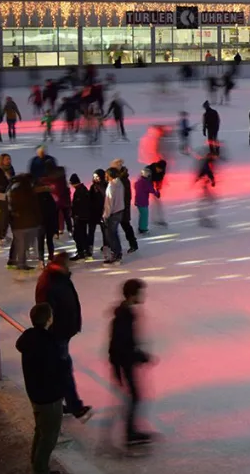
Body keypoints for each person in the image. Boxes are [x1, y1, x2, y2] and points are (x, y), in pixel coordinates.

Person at [35, 251, 92, 422]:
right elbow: (46, 309)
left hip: (63, 332)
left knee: (61, 369)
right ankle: (75, 407)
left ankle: (61, 404)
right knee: (63, 370)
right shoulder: (51, 282)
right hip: (57, 334)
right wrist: (51, 330)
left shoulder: (60, 278)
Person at [16, 303, 66, 474]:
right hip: (49, 397)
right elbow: (55, 370)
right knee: (49, 437)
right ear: (49, 319)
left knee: (41, 429)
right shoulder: (49, 343)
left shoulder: (29, 339)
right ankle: (40, 469)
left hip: (35, 393)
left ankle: (36, 463)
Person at [108, 278, 154, 448]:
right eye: (141, 293)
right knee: (135, 396)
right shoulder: (124, 317)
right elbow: (121, 345)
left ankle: (131, 431)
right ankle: (130, 433)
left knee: (135, 396)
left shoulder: (126, 313)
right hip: (124, 363)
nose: (144, 296)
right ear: (132, 295)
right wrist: (140, 357)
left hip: (124, 361)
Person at [8, 173, 40, 270]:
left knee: (19, 243)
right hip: (29, 222)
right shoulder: (31, 192)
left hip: (17, 223)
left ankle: (17, 261)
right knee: (25, 244)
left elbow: (11, 207)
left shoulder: (14, 191)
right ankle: (21, 263)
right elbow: (36, 208)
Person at [101, 167, 125, 265]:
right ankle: (117, 253)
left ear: (109, 175)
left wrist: (105, 216)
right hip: (120, 211)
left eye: (106, 174)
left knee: (111, 235)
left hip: (113, 213)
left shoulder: (111, 187)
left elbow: (109, 204)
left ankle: (116, 254)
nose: (105, 176)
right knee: (114, 233)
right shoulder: (120, 184)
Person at [133, 168, 158, 236]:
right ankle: (143, 228)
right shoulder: (145, 182)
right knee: (144, 215)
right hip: (143, 201)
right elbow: (151, 189)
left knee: (142, 215)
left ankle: (141, 227)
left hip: (138, 201)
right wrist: (156, 193)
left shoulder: (138, 181)